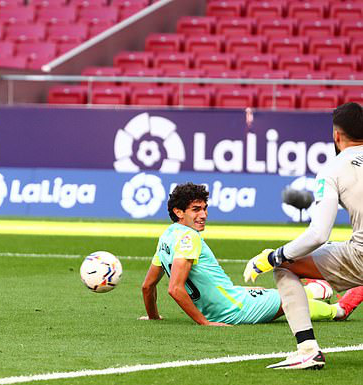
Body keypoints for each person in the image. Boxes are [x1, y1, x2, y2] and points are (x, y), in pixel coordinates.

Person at [140, 182, 363, 329]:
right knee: (289, 300)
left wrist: (153, 316)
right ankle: (338, 310)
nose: (204, 215)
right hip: (234, 310)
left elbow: (147, 286)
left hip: (229, 298)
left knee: (263, 292)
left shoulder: (166, 237)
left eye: (205, 208)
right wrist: (204, 323)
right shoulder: (189, 238)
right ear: (178, 212)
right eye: (196, 209)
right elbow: (175, 288)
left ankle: (318, 290)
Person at [245, 102, 363, 369]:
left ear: (336, 135)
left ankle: (307, 350)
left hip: (361, 256)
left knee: (285, 265)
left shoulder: (333, 168)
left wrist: (274, 256)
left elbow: (319, 234)